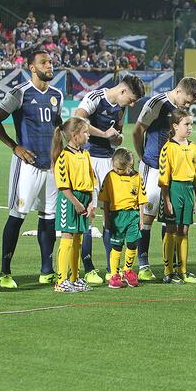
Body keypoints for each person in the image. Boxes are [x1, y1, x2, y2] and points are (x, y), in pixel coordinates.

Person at [0, 49, 64, 288]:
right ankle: (5, 271)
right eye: (44, 63)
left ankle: (47, 270)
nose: (50, 66)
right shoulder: (20, 93)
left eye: (51, 62)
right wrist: (15, 148)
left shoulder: (57, 95)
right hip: (27, 166)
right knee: (17, 216)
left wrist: (60, 153)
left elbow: (57, 128)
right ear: (32, 68)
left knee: (48, 218)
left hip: (50, 167)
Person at [74, 74, 144, 284]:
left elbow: (118, 133)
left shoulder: (121, 109)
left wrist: (117, 137)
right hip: (88, 159)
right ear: (123, 91)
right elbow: (78, 120)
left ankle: (111, 269)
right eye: (131, 99)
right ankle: (88, 268)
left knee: (111, 213)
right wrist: (104, 134)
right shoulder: (95, 97)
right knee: (89, 213)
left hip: (108, 162)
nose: (132, 104)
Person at [133, 77, 196, 281]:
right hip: (152, 167)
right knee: (147, 216)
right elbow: (138, 131)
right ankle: (143, 264)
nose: (187, 106)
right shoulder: (157, 103)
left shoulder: (180, 111)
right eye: (187, 101)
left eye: (191, 104)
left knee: (170, 217)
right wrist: (144, 156)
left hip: (174, 173)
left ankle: (170, 266)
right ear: (178, 91)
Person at [157, 109, 196, 284]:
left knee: (184, 230)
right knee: (171, 229)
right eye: (187, 124)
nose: (190, 127)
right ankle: (168, 271)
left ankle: (182, 270)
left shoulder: (193, 147)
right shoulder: (168, 148)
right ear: (175, 126)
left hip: (188, 190)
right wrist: (167, 200)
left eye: (191, 124)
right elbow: (164, 178)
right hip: (174, 190)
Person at [52, 117, 95, 293]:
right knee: (68, 237)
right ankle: (61, 281)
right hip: (70, 201)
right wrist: (77, 203)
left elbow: (92, 180)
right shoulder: (64, 156)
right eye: (85, 133)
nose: (88, 136)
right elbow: (63, 185)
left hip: (84, 200)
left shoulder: (85, 154)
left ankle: (74, 278)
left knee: (78, 240)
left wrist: (92, 202)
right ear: (74, 135)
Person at [99, 149, 147, 289]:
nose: (116, 170)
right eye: (114, 167)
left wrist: (141, 218)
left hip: (133, 215)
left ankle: (127, 270)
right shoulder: (110, 177)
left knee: (132, 243)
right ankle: (114, 275)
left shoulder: (137, 177)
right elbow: (105, 201)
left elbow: (141, 199)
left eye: (119, 168)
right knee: (117, 246)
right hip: (116, 216)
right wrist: (106, 219)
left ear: (129, 166)